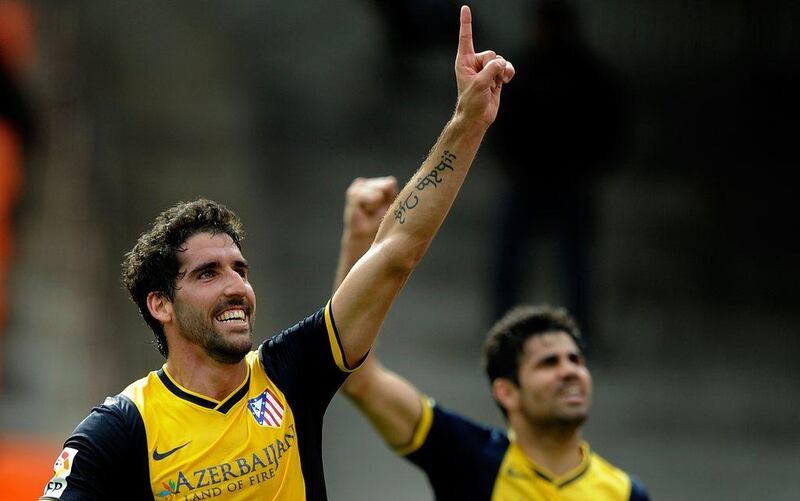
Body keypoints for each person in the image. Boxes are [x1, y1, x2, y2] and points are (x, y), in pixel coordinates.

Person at [39, 5, 514, 500]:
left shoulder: (289, 372)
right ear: (160, 303)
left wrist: (468, 121)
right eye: (207, 274)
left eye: (239, 269)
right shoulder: (119, 432)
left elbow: (395, 252)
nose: (236, 287)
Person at [338, 184, 649, 500]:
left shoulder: (626, 493)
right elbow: (358, 379)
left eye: (576, 360)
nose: (570, 371)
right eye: (548, 363)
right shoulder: (470, 460)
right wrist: (358, 238)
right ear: (507, 392)